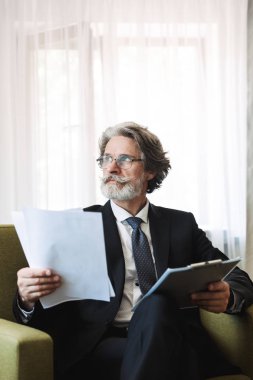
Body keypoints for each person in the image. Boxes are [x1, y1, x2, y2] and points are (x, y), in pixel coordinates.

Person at [14, 121, 253, 380]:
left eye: (124, 159)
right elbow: (47, 307)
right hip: (104, 344)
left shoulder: (180, 224)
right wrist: (27, 298)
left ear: (150, 170)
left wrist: (229, 295)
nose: (111, 168)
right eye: (106, 159)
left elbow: (238, 277)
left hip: (172, 337)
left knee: (157, 304)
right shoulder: (76, 225)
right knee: (159, 330)